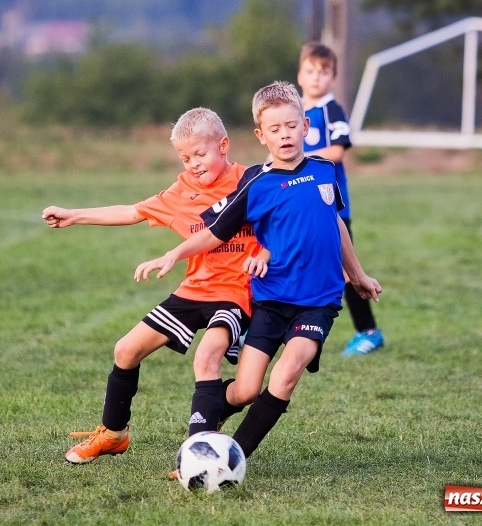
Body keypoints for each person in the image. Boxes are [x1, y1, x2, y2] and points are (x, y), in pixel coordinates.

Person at [135, 81, 382, 458]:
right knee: (246, 390)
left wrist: (358, 275)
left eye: (291, 126)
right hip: (270, 300)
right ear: (261, 135)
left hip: (318, 301)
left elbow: (336, 225)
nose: (284, 135)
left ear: (305, 126)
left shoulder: (325, 170)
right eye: (274, 129)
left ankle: (232, 456)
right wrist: (174, 254)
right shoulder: (256, 183)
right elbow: (215, 233)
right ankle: (215, 409)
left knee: (287, 373)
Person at [42, 107, 268, 464]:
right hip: (194, 290)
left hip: (236, 293)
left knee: (207, 356)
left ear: (223, 145)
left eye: (200, 153)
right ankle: (114, 434)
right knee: (126, 350)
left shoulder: (253, 183)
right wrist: (75, 215)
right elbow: (133, 211)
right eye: (185, 157)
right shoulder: (182, 191)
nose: (193, 163)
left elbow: (284, 223)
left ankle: (199, 456)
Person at [297, 41, 384, 356]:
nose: (317, 78)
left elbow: (337, 150)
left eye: (324, 72)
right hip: (299, 204)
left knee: (347, 270)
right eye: (310, 71)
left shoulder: (331, 109)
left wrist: (299, 157)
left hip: (331, 204)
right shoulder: (295, 112)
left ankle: (369, 332)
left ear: (333, 78)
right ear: (299, 76)